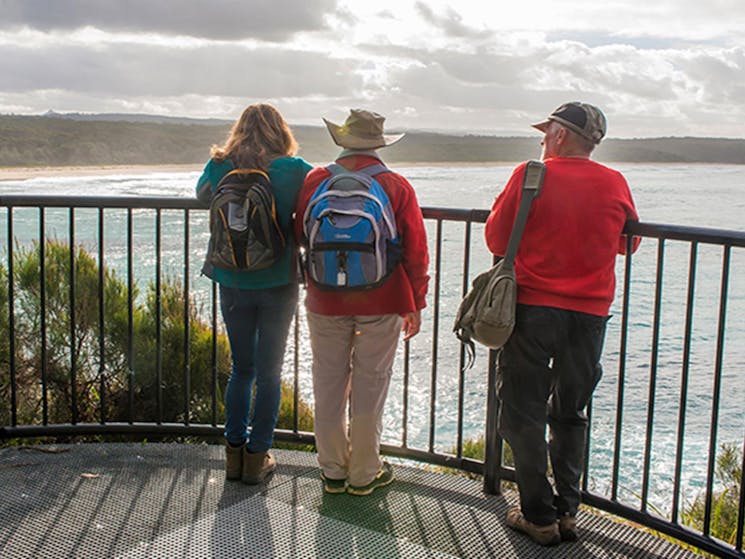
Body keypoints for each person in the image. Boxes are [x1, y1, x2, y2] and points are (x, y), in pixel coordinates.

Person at [484, 102, 640, 545]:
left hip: (533, 310)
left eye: (547, 130)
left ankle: (538, 514)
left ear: (560, 136)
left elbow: (496, 238)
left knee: (521, 412)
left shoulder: (531, 174)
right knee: (570, 412)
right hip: (589, 314)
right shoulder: (615, 181)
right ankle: (568, 511)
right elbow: (629, 244)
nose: (542, 138)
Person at [294, 109, 430, 496]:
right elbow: (416, 252)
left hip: (323, 297)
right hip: (382, 298)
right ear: (378, 144)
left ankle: (333, 469)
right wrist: (415, 302)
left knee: (328, 382)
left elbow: (299, 233)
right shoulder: (395, 184)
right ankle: (364, 474)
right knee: (372, 384)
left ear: (343, 140)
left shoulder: (316, 180)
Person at [196, 103, 312, 484]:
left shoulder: (220, 164)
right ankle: (257, 457)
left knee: (241, 370)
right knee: (270, 372)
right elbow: (315, 199)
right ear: (281, 131)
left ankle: (233, 456)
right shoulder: (292, 170)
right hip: (278, 280)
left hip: (231, 280)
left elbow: (201, 195)